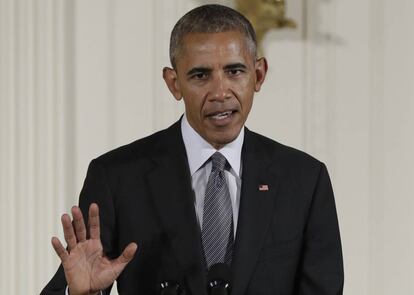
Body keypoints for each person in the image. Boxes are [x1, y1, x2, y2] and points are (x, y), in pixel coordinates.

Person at [41, 4, 343, 295]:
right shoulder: (117, 177)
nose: (220, 92)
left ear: (258, 75)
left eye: (235, 71)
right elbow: (73, 284)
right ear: (174, 84)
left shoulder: (304, 179)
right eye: (200, 75)